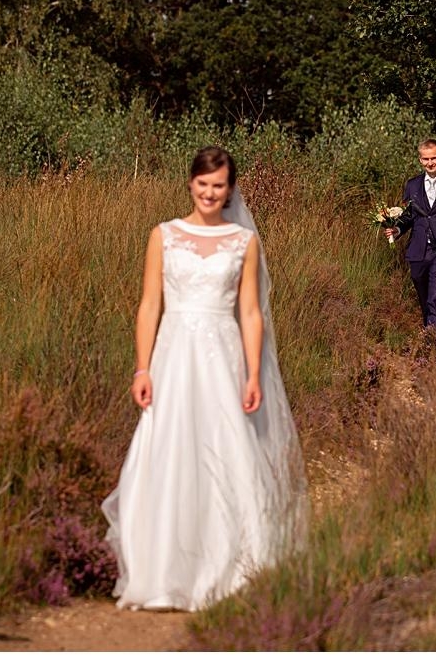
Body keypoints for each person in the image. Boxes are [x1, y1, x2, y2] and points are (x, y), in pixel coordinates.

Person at [102, 146, 308, 612]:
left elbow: (251, 312)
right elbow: (149, 304)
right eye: (203, 184)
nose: (210, 192)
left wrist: (254, 372)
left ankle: (229, 567)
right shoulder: (164, 235)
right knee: (171, 449)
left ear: (229, 189)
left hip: (223, 357)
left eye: (219, 185)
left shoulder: (243, 242)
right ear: (191, 184)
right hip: (174, 358)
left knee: (225, 449)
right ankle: (163, 569)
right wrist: (142, 366)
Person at [382, 138, 436, 340]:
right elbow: (408, 216)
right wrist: (396, 230)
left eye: (434, 158)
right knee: (421, 288)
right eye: (426, 159)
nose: (430, 163)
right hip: (418, 248)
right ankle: (429, 323)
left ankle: (433, 340)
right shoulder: (412, 185)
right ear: (420, 160)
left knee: (435, 296)